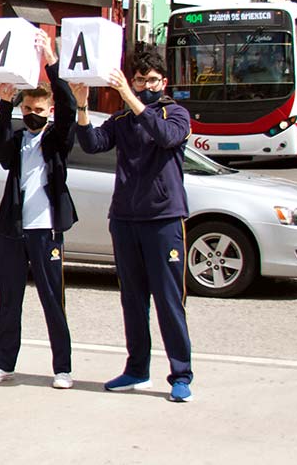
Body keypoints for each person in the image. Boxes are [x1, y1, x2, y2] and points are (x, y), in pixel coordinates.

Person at [73, 49, 195, 403]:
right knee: (132, 299)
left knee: (169, 300)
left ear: (163, 82)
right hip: (125, 218)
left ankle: (181, 374)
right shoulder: (123, 118)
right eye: (138, 80)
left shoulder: (177, 114)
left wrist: (130, 97)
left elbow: (165, 137)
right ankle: (137, 369)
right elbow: (92, 143)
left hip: (163, 218)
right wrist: (82, 108)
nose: (144, 86)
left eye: (150, 80)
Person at [0, 30, 77, 389]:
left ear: (48, 111)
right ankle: (3, 363)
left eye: (39, 111)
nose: (33, 116)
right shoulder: (18, 139)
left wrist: (50, 62)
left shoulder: (56, 139)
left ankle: (63, 368)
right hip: (13, 229)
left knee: (53, 299)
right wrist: (6, 105)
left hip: (47, 229)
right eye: (28, 111)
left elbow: (69, 109)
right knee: (9, 297)